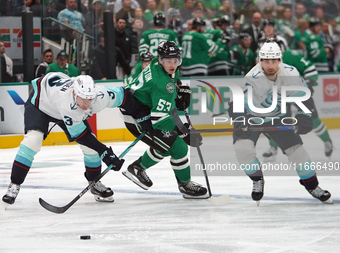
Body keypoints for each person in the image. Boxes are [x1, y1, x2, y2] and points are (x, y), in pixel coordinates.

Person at [2, 73, 152, 205]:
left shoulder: (100, 95)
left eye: (90, 99)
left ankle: (94, 182)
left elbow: (124, 96)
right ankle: (14, 184)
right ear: (74, 93)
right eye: (83, 99)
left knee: (91, 147)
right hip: (41, 103)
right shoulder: (67, 104)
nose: (87, 104)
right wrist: (105, 152)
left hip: (58, 97)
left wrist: (142, 116)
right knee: (32, 140)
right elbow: (80, 135)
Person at [229, 41, 332, 204]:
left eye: (274, 61)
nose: (270, 66)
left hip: (278, 118)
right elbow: (236, 103)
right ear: (259, 61)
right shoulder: (252, 78)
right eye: (266, 61)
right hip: (252, 117)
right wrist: (239, 119)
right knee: (242, 149)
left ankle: (312, 186)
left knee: (297, 152)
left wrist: (304, 114)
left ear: (280, 60)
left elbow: (304, 96)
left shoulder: (290, 73)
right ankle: (257, 180)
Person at [122, 41, 208, 199]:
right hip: (138, 117)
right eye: (168, 61)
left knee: (173, 146)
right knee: (175, 145)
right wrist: (184, 132)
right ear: (160, 59)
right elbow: (160, 120)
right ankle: (139, 169)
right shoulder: (163, 85)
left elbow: (171, 83)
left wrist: (179, 88)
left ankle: (181, 182)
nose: (173, 64)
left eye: (176, 60)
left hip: (143, 108)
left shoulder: (157, 63)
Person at [262, 47, 334, 161]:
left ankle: (327, 141)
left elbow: (309, 68)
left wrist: (310, 82)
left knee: (312, 119)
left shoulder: (291, 55)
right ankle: (273, 147)